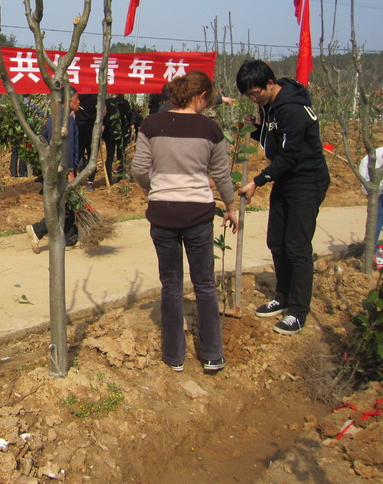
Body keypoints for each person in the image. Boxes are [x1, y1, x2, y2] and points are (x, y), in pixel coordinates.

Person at [132, 71, 238, 372]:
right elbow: (221, 175)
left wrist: (152, 187)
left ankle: (174, 356)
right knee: (204, 284)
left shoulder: (151, 124)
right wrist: (231, 207)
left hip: (163, 213)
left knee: (171, 284)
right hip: (198, 215)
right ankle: (212, 354)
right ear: (201, 97)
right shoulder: (211, 129)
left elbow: (139, 167)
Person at [236, 59, 330, 335]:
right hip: (287, 179)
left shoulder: (291, 108)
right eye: (248, 95)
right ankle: (283, 296)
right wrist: (253, 129)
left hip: (306, 180)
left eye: (255, 93)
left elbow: (289, 155)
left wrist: (258, 180)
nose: (254, 99)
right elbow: (274, 142)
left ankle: (298, 311)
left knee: (297, 247)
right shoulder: (270, 106)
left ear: (269, 84)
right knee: (276, 241)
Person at [25, 89, 81, 252]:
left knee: (67, 203)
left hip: (54, 168)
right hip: (62, 169)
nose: (79, 102)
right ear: (67, 100)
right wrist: (70, 171)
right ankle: (38, 230)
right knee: (61, 205)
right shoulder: (65, 121)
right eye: (76, 99)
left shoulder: (54, 118)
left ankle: (71, 238)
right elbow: (67, 147)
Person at [103, 94, 134, 182]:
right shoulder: (124, 103)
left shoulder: (108, 102)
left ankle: (109, 178)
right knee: (120, 155)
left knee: (110, 156)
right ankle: (118, 177)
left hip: (111, 133)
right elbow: (130, 118)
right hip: (120, 133)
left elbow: (104, 117)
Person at [358, 147, 383, 244]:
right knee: (378, 216)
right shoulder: (369, 160)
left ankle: (373, 251)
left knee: (378, 216)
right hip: (373, 184)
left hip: (373, 184)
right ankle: (372, 251)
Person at [75, 93, 99, 190]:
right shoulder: (96, 95)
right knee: (92, 155)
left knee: (78, 152)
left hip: (79, 126)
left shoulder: (77, 96)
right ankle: (90, 180)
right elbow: (103, 111)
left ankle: (80, 174)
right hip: (92, 127)